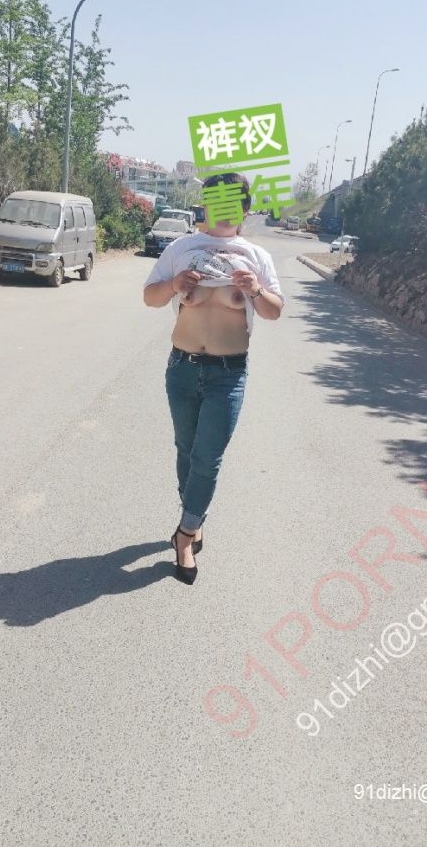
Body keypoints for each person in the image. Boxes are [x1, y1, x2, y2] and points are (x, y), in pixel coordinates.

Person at [142, 172, 285, 585]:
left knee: (208, 459)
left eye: (231, 202)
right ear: (205, 205)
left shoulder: (256, 256)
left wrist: (255, 291)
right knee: (186, 451)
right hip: (182, 369)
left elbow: (274, 310)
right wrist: (173, 284)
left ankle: (185, 535)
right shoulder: (181, 248)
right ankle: (195, 515)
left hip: (228, 374)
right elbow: (150, 297)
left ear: (245, 208)